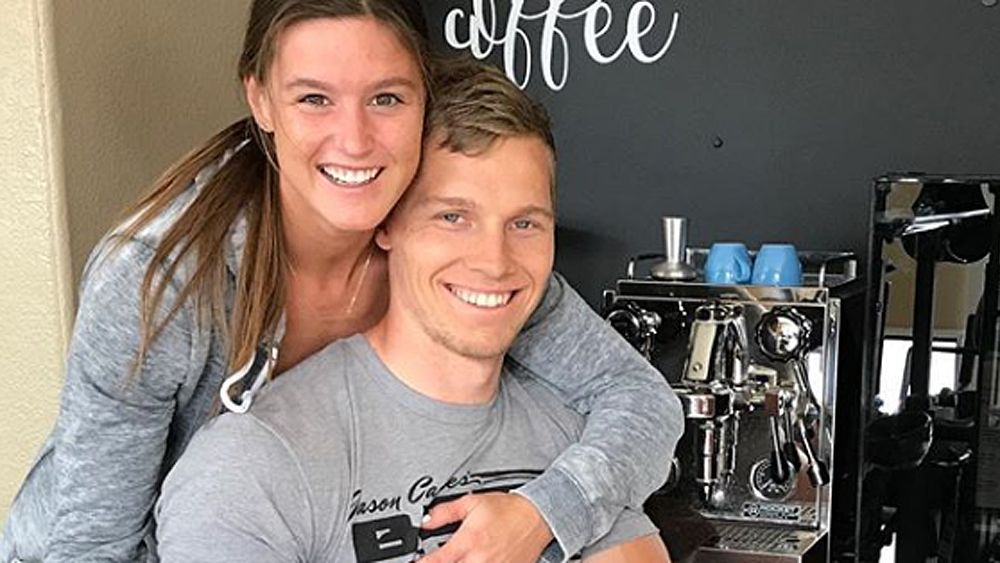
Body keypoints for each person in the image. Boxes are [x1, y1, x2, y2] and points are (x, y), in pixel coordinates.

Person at [0, 1, 682, 562]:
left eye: (386, 97)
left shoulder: (451, 253)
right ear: (259, 97)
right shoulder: (158, 279)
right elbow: (88, 545)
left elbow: (639, 402)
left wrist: (544, 510)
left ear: (423, 96)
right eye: (314, 98)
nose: (354, 140)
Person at [155, 57, 672, 563]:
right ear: (385, 223)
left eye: (525, 224)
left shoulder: (576, 437)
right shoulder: (255, 465)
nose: (494, 263)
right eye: (453, 216)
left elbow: (645, 412)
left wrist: (542, 515)